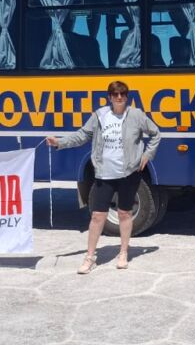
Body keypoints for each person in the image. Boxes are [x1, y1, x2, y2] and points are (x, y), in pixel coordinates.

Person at [47, 81, 161, 273]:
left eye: (122, 94)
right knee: (98, 216)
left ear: (127, 96)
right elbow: (82, 135)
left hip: (128, 174)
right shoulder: (100, 115)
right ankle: (89, 257)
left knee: (125, 214)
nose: (119, 97)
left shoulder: (136, 115)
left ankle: (123, 253)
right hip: (104, 174)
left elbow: (156, 134)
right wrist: (60, 142)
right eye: (115, 94)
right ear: (109, 97)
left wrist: (147, 155)